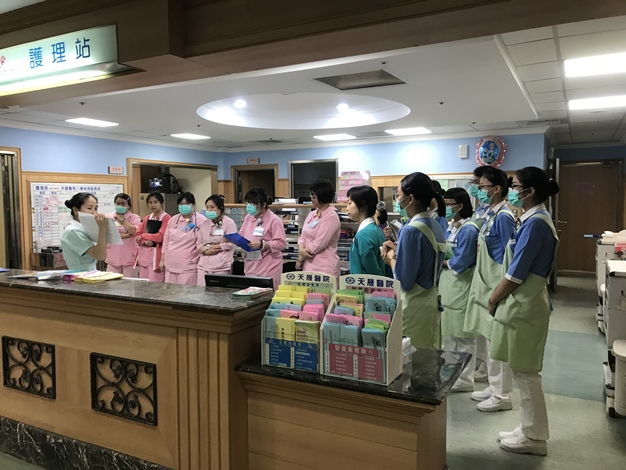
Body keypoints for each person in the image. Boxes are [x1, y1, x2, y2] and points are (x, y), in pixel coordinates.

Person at [488, 167, 559, 456]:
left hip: (526, 306)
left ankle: (535, 438)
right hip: (523, 305)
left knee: (527, 374)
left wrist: (493, 299)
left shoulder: (536, 224)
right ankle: (528, 427)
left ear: (530, 192)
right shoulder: (531, 219)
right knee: (521, 371)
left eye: (516, 186)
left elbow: (516, 274)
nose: (512, 191)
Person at [463, 167, 516, 412]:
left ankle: (502, 395)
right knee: (487, 338)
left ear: (496, 189)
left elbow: (509, 256)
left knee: (497, 343)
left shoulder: (504, 217)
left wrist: (500, 291)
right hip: (485, 283)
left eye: (482, 186)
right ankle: (494, 386)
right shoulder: (490, 214)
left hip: (495, 284)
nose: (478, 190)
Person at [382, 173, 447, 349]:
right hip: (429, 303)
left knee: (409, 358)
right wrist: (400, 250)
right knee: (427, 354)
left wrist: (391, 257)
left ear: (410, 199)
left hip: (413, 306)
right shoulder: (435, 225)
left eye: (398, 195)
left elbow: (404, 281)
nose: (397, 200)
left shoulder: (410, 230)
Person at [439, 188, 479, 392]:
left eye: (449, 204)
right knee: (452, 335)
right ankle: (453, 375)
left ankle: (465, 379)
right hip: (450, 288)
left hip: (461, 286)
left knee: (463, 337)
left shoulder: (469, 229)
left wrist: (445, 262)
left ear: (460, 206)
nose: (445, 208)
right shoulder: (452, 226)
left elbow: (462, 260)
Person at [236, 187, 286, 289]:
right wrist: (235, 239)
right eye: (248, 202)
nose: (249, 206)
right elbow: (242, 234)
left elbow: (281, 244)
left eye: (253, 203)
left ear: (263, 204)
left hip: (269, 267)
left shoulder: (274, 220)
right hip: (250, 265)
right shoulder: (248, 217)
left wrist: (262, 244)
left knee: (267, 295)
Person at [470, 166, 491, 383]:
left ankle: (486, 368)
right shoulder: (480, 209)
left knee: (487, 328)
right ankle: (479, 362)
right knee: (479, 327)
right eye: (475, 183)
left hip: (489, 276)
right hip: (478, 272)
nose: (476, 187)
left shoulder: (499, 215)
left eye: (479, 184)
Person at [297, 179, 341, 278]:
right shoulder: (312, 214)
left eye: (314, 195)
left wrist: (301, 257)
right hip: (308, 266)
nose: (311, 197)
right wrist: (301, 249)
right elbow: (302, 236)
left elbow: (319, 243)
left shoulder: (331, 216)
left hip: (324, 268)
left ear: (323, 195)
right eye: (311, 194)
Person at [161, 192, 207, 285]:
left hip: (189, 266)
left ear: (193, 205)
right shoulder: (173, 219)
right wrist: (162, 259)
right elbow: (166, 241)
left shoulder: (201, 220)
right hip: (171, 263)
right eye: (181, 204)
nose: (183, 206)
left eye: (187, 203)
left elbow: (203, 242)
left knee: (187, 292)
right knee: (171, 292)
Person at [346, 185, 390, 277]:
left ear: (362, 205)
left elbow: (373, 272)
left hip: (365, 285)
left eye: (350, 203)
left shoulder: (364, 235)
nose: (347, 208)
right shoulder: (375, 229)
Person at [61, 192, 108, 271]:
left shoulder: (85, 229)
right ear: (76, 210)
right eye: (89, 208)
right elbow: (100, 255)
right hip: (80, 274)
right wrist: (102, 229)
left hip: (91, 273)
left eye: (95, 208)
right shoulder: (73, 231)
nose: (94, 213)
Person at [197, 194, 237, 285]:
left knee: (218, 292)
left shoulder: (229, 223)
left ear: (220, 208)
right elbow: (199, 243)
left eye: (212, 207)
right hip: (204, 265)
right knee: (201, 291)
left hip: (221, 266)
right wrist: (206, 250)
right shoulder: (204, 224)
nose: (209, 210)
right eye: (207, 207)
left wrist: (213, 247)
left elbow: (231, 243)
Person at [135, 192, 171, 282]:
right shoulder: (147, 218)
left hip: (157, 257)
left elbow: (160, 237)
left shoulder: (167, 218)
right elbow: (137, 235)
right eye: (150, 202)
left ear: (161, 203)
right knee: (143, 285)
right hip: (144, 256)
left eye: (155, 202)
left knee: (155, 285)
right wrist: (144, 241)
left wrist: (144, 236)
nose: (153, 205)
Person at [105, 193, 141, 277]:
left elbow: (133, 231)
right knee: (112, 282)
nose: (120, 206)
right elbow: (108, 233)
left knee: (129, 283)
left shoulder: (134, 217)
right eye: (118, 203)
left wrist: (122, 220)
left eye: (123, 203)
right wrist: (126, 235)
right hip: (113, 255)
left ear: (129, 205)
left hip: (129, 255)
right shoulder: (109, 217)